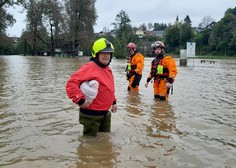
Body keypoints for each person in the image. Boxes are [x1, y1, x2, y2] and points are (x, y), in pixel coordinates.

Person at [66, 38, 117, 136]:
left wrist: (113, 102)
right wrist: (80, 101)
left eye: (109, 53)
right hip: (91, 115)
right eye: (103, 53)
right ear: (96, 54)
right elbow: (71, 83)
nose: (107, 56)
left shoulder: (108, 69)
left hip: (105, 113)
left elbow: (109, 88)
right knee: (89, 143)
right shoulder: (90, 67)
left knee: (104, 140)